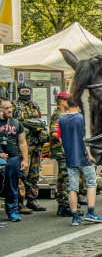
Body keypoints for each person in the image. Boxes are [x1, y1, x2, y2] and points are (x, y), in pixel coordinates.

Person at [57, 96, 102, 226]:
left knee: (73, 187)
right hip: (85, 157)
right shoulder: (84, 119)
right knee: (91, 183)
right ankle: (91, 213)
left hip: (71, 158)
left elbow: (59, 138)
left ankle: (75, 216)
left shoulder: (61, 120)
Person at [13, 82, 48, 213]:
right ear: (18, 91)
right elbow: (14, 123)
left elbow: (40, 120)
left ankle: (32, 200)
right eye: (23, 91)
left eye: (27, 91)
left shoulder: (35, 105)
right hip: (23, 146)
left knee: (34, 174)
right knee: (22, 174)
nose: (25, 93)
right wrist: (29, 125)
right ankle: (20, 203)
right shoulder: (15, 106)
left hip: (36, 144)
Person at [0, 99, 28, 221]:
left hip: (13, 159)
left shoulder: (16, 123)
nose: (10, 110)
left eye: (10, 107)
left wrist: (25, 160)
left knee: (12, 187)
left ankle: (12, 212)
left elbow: (22, 143)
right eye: (6, 108)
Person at [50, 92, 72, 217]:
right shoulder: (58, 114)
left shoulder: (62, 114)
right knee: (66, 178)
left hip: (62, 151)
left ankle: (63, 204)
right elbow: (54, 132)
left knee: (63, 178)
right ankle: (64, 206)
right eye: (68, 101)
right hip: (62, 151)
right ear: (63, 102)